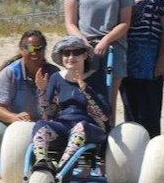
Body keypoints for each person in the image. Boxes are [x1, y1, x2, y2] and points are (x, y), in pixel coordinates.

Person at [63, 0, 133, 123]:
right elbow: (70, 22)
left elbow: (125, 22)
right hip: (83, 48)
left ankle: (106, 139)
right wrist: (82, 42)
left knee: (108, 100)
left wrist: (106, 40)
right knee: (82, 94)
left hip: (112, 48)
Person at [31, 36, 111, 174]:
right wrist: (42, 91)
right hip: (63, 125)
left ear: (85, 55)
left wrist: (86, 89)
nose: (71, 57)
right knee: (40, 125)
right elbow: (47, 114)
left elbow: (104, 116)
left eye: (76, 52)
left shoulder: (95, 77)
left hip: (89, 126)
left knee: (80, 127)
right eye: (66, 53)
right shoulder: (56, 78)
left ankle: (61, 167)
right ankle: (41, 162)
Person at [118, 0, 164, 138]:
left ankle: (152, 157)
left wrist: (161, 58)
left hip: (151, 63)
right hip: (125, 62)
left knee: (150, 114)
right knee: (130, 113)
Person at [0, 30, 60, 156]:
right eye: (30, 48)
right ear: (22, 49)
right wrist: (14, 117)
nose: (35, 52)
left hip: (44, 123)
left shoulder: (54, 73)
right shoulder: (10, 73)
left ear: (44, 50)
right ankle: (5, 162)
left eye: (39, 48)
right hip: (14, 122)